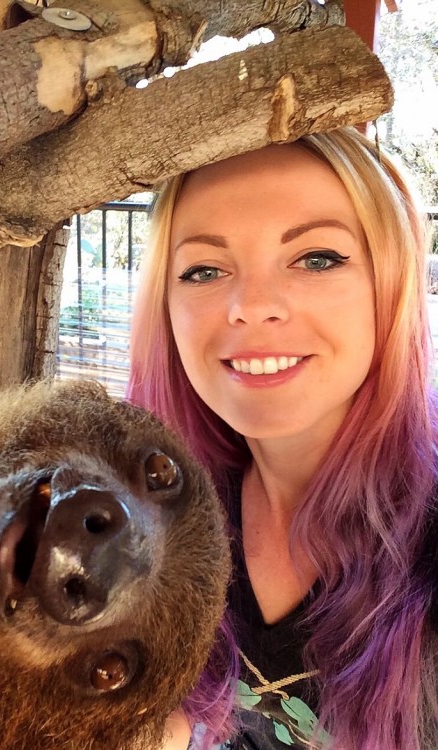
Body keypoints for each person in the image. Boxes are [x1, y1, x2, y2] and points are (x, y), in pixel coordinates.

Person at [127, 127, 437, 750]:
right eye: (205, 269)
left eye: (317, 258)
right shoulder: (153, 517)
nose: (252, 306)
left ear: (391, 285)